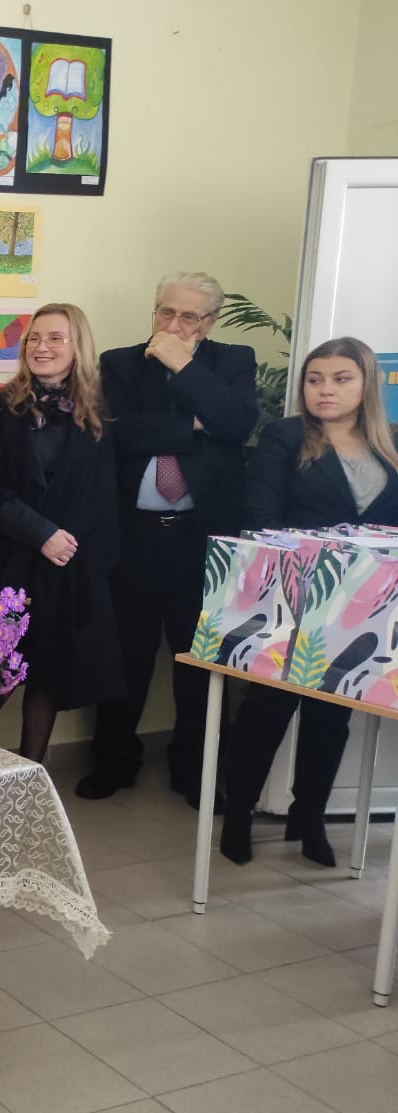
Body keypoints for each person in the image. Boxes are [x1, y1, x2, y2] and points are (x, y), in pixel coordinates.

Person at [76, 272, 257, 803]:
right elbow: (113, 434)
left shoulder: (234, 361)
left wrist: (184, 366)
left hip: (200, 538)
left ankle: (195, 769)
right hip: (133, 535)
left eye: (188, 316)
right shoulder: (120, 363)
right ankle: (114, 760)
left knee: (198, 660)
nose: (173, 324)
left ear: (211, 323)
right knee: (126, 654)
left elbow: (236, 423)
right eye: (165, 312)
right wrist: (193, 427)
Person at [221, 338, 398, 868]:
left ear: (366, 384)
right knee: (267, 710)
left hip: (360, 609)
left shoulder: (390, 443)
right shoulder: (285, 435)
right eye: (315, 379)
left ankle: (309, 816)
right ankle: (239, 813)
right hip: (292, 598)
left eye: (341, 379)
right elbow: (259, 515)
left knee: (331, 716)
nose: (325, 390)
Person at [0, 304, 122, 760]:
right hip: (6, 561)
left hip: (65, 566)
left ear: (78, 347)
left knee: (47, 677)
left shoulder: (97, 415)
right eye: (34, 338)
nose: (41, 347)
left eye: (55, 338)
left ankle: (32, 776)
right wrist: (41, 533)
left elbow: (102, 494)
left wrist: (69, 547)